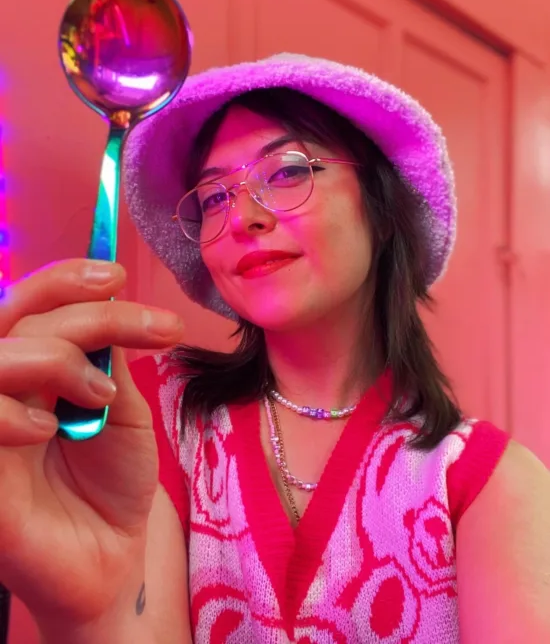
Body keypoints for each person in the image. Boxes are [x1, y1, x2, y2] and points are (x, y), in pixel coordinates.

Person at [0, 53, 548, 644]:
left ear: (382, 208)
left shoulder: (489, 480)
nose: (242, 218)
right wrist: (89, 616)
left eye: (287, 171)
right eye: (213, 198)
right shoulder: (142, 415)